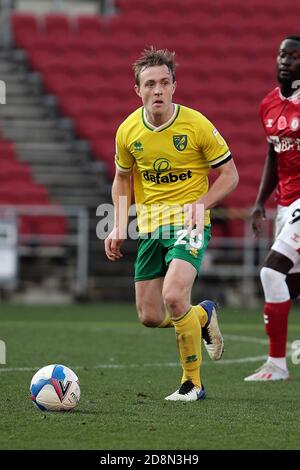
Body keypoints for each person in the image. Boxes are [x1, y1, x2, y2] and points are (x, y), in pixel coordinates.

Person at [104, 47, 239, 401]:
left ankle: (192, 383)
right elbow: (122, 178)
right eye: (150, 84)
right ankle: (203, 317)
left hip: (190, 223)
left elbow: (230, 175)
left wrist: (202, 204)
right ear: (138, 90)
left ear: (175, 86)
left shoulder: (197, 125)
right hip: (150, 227)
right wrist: (119, 224)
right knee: (150, 316)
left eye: (165, 82)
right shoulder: (128, 131)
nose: (158, 90)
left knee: (174, 295)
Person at [244, 36, 300, 382]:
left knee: (270, 273)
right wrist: (259, 203)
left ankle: (277, 364)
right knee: (288, 283)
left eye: (294, 56)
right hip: (285, 202)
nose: (285, 61)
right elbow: (272, 155)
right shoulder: (268, 104)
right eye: (282, 54)